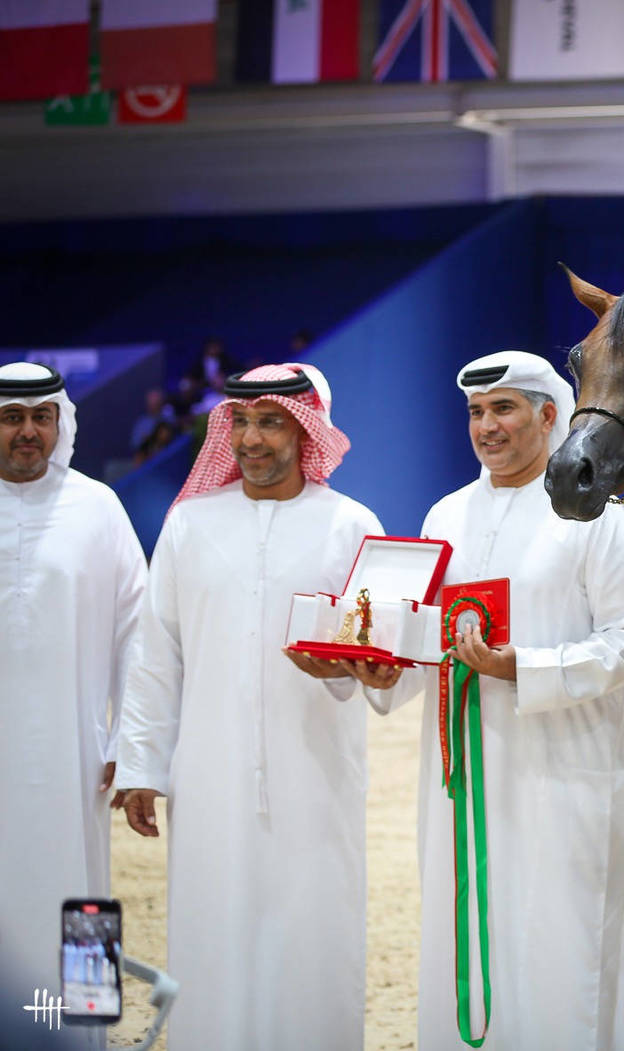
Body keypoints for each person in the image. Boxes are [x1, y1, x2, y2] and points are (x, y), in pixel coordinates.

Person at [366, 352, 624, 1050]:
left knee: (560, 944)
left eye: (503, 408)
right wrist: (381, 671)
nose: (486, 426)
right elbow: (427, 638)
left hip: (562, 772)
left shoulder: (596, 515)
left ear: (549, 415)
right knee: (462, 929)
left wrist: (523, 667)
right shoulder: (445, 515)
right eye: (475, 412)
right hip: (462, 778)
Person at [114, 363, 388, 1050]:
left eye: (270, 422)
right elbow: (156, 653)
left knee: (315, 933)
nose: (250, 439)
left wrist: (358, 670)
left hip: (318, 775)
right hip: (209, 780)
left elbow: (385, 657)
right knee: (213, 931)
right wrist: (142, 764)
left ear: (307, 432)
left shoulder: (351, 525)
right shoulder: (190, 524)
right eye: (239, 422)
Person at [0, 363, 145, 1048]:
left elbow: (138, 630)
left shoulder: (97, 508)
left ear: (61, 423)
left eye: (41, 416)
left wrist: (127, 741)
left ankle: (83, 1032)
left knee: (80, 890)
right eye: (11, 417)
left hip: (74, 756)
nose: (28, 431)